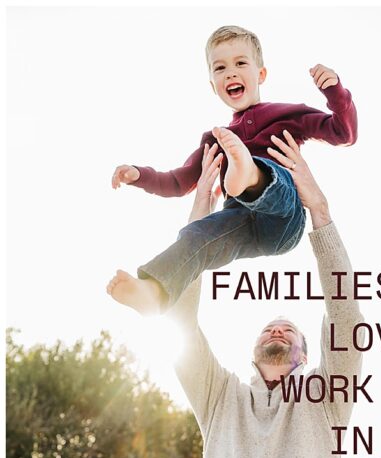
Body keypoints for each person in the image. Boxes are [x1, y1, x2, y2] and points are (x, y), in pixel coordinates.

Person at [134, 132, 363, 458]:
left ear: (305, 356)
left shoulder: (326, 401)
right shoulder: (221, 396)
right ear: (252, 351)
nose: (277, 329)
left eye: (289, 331)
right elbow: (182, 327)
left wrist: (319, 212)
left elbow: (347, 321)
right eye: (270, 328)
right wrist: (198, 223)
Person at [107, 25, 357, 315]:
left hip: (282, 217)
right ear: (213, 85)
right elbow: (177, 182)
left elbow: (343, 132)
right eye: (220, 68)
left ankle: (249, 173)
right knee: (197, 235)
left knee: (277, 181)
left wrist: (335, 91)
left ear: (260, 74)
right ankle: (154, 292)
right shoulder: (215, 139)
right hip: (240, 224)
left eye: (241, 63)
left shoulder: (288, 115)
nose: (231, 72)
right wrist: (140, 175)